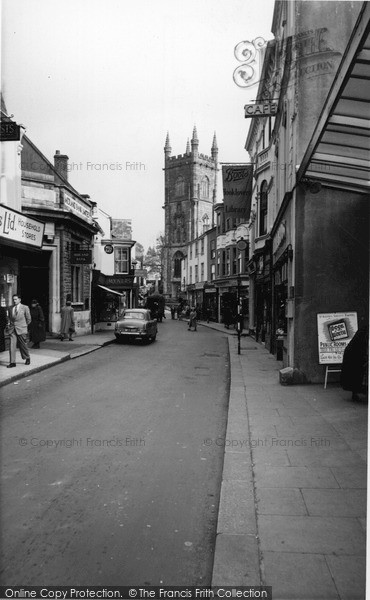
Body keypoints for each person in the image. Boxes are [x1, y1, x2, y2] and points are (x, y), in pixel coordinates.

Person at [340, 325, 368, 401]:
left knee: (354, 376)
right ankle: (358, 392)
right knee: (356, 375)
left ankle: (355, 393)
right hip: (355, 356)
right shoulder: (364, 334)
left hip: (353, 356)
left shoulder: (361, 333)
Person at [7, 294, 32, 368]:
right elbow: (9, 318)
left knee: (23, 345)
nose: (14, 301)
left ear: (19, 299)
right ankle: (12, 362)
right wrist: (9, 325)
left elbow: (29, 319)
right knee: (12, 346)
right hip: (12, 329)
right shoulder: (10, 308)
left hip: (21, 329)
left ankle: (27, 357)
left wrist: (23, 325)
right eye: (13, 299)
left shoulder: (25, 307)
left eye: (15, 299)